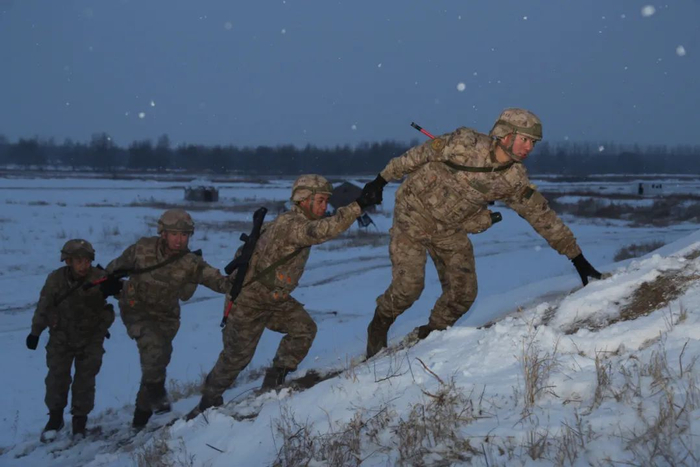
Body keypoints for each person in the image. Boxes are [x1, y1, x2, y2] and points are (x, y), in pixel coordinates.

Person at [363, 108, 602, 358]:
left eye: (533, 142)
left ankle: (429, 337)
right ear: (505, 135)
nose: (529, 147)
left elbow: (541, 216)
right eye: (524, 139)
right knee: (408, 288)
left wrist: (577, 258)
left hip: (449, 229)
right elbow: (415, 157)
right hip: (413, 215)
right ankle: (378, 326)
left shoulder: (513, 179)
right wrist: (381, 181)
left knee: (463, 294)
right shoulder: (465, 144)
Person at [187, 175, 379, 419]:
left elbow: (322, 225)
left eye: (326, 201)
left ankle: (274, 381)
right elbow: (322, 231)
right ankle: (207, 403)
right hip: (249, 301)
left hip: (275, 299)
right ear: (304, 200)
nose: (324, 206)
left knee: (304, 330)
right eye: (320, 200)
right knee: (235, 359)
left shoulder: (296, 221)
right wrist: (357, 206)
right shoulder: (292, 224)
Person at [104, 209, 234, 429]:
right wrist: (111, 284)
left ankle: (140, 419)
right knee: (153, 350)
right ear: (163, 233)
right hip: (136, 310)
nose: (179, 240)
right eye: (174, 234)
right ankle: (158, 398)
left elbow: (218, 281)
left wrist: (239, 279)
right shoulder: (142, 248)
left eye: (184, 235)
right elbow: (112, 270)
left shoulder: (190, 262)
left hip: (166, 317)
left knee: (157, 363)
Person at [26, 239, 115, 441]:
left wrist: (115, 288)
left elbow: (125, 293)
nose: (84, 265)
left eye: (87, 261)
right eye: (79, 261)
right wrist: (35, 332)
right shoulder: (55, 280)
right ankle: (55, 419)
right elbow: (44, 307)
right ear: (68, 261)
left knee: (85, 381)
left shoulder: (100, 277)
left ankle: (79, 422)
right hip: (61, 338)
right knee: (56, 379)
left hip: (91, 338)